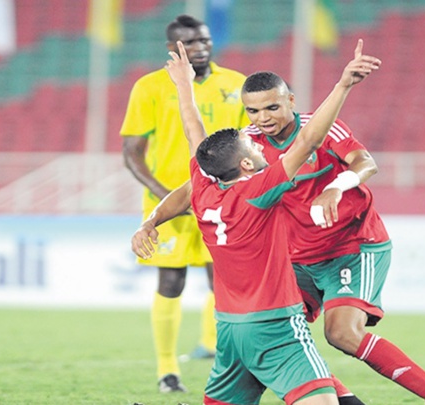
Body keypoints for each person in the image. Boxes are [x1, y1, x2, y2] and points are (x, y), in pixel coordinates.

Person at [141, 44, 425, 405]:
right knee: (281, 332)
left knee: (342, 334)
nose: (262, 117)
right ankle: (341, 399)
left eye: (272, 107)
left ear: (290, 100)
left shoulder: (320, 127)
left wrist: (336, 185)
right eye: (252, 110)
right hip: (296, 258)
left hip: (350, 245)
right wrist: (154, 219)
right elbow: (192, 185)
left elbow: (365, 162)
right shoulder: (249, 148)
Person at [133, 38, 380, 405]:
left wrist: (149, 222)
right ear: (246, 164)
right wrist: (342, 85)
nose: (258, 142)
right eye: (251, 148)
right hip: (276, 324)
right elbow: (309, 139)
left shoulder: (203, 187)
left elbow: (193, 130)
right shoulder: (257, 191)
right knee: (325, 401)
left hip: (230, 328)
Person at [120, 14, 249, 393]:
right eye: (189, 42)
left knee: (222, 281)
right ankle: (167, 371)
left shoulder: (235, 84)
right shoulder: (150, 87)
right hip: (171, 207)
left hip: (222, 202)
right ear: (171, 48)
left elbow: (250, 145)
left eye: (204, 40)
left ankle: (220, 357)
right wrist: (167, 198)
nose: (200, 47)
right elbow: (132, 153)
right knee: (171, 281)